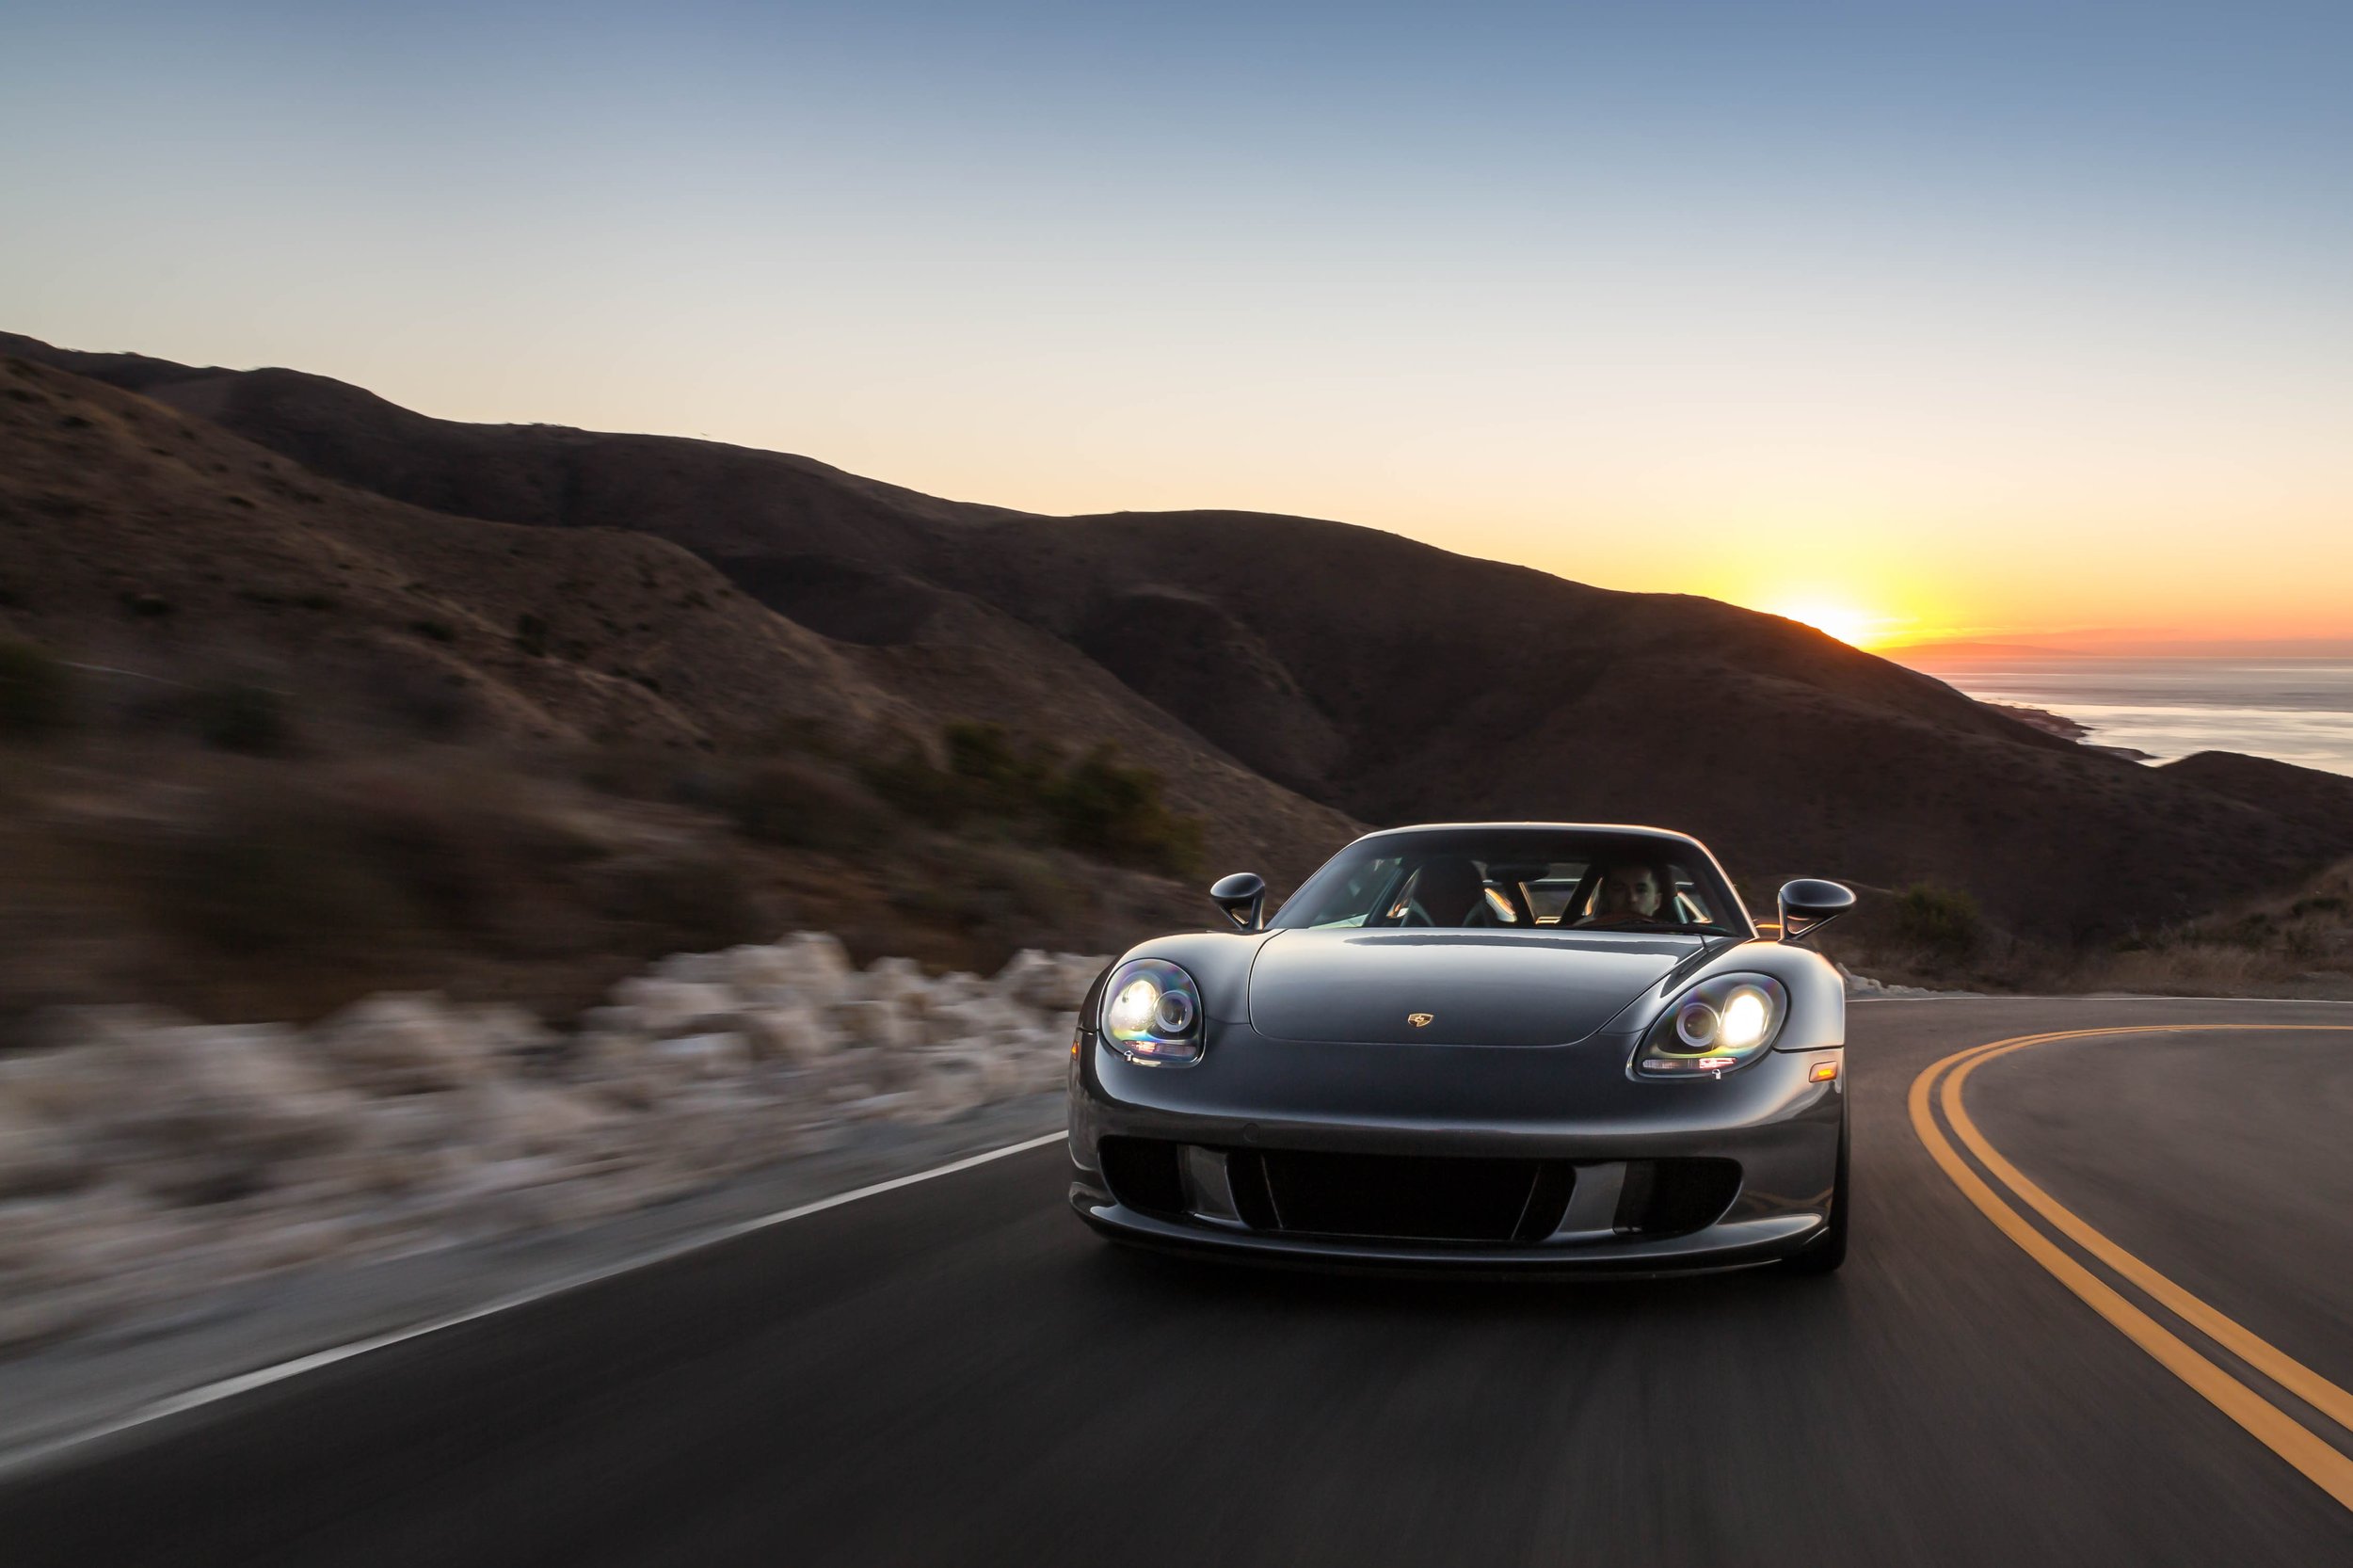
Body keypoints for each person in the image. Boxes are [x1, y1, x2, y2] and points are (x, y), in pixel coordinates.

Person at [1582, 860, 1672, 927]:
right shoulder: (1585, 932)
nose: (1631, 898)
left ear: (1657, 901)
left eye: (1641, 890)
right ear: (1607, 896)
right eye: (1619, 889)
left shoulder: (1671, 937)